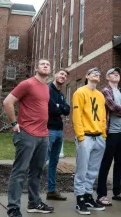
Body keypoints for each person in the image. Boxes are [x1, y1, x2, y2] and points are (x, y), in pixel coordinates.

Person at [3, 59, 54, 217]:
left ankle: (34, 203)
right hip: (26, 134)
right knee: (20, 172)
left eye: (48, 64)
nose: (46, 66)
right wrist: (14, 123)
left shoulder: (46, 88)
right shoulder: (28, 84)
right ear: (36, 68)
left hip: (43, 135)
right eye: (42, 64)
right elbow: (8, 102)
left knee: (37, 171)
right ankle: (13, 208)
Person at [72, 68, 106, 215]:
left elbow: (103, 116)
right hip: (85, 136)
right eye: (93, 73)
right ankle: (80, 199)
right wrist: (80, 136)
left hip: (99, 137)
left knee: (92, 170)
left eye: (98, 74)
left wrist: (103, 135)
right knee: (82, 169)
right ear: (86, 76)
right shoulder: (80, 92)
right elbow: (77, 115)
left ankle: (87, 196)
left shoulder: (100, 95)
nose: (96, 75)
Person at [96, 67, 121, 206]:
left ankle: (117, 192)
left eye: (117, 73)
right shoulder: (105, 91)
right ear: (107, 77)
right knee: (106, 163)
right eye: (113, 73)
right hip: (110, 133)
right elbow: (113, 107)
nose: (116, 74)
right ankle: (101, 194)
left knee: (120, 163)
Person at [47, 68, 70, 201]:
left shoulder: (61, 94)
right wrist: (59, 107)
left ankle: (51, 191)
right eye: (61, 74)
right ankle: (33, 193)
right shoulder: (48, 90)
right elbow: (51, 109)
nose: (63, 76)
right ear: (55, 74)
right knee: (42, 160)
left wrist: (59, 106)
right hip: (49, 130)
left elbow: (67, 110)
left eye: (65, 75)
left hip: (59, 131)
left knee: (54, 162)